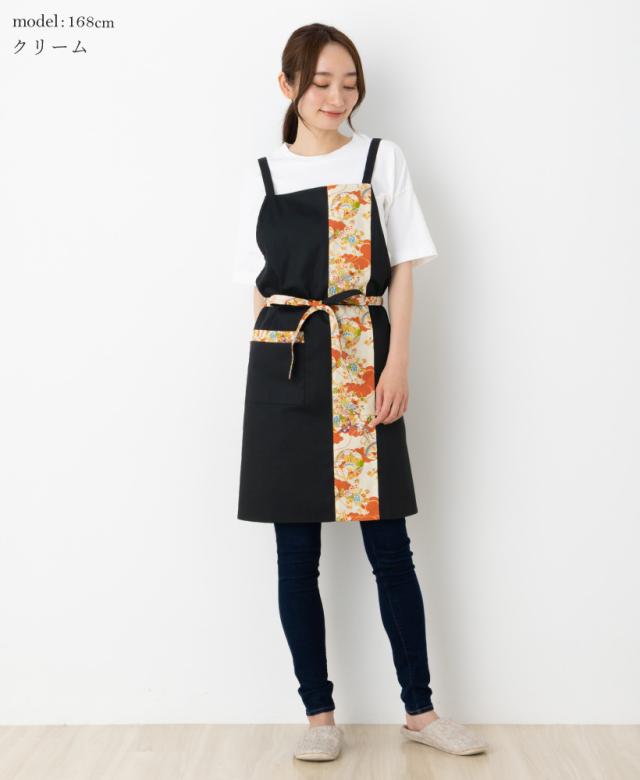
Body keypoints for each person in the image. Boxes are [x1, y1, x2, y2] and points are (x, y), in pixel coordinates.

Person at [232, 23, 488, 761]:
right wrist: (275, 354)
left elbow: (403, 267)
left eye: (349, 82)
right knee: (295, 556)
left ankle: (421, 712)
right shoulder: (264, 173)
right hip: (284, 368)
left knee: (390, 549)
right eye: (320, 82)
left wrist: (396, 362)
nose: (336, 96)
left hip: (362, 360)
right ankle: (319, 718)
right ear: (288, 86)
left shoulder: (380, 159)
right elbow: (257, 284)